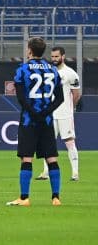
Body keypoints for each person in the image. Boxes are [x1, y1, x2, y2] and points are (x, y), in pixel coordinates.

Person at [7, 37, 64, 206]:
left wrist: (34, 113)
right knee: (51, 158)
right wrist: (45, 113)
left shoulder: (22, 70)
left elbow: (21, 98)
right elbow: (59, 98)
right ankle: (56, 198)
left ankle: (24, 198)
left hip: (28, 121)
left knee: (26, 158)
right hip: (46, 121)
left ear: (30, 50)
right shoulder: (53, 70)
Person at [38, 46, 81, 181]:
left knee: (69, 142)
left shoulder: (71, 73)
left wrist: (70, 109)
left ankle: (75, 173)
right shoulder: (48, 72)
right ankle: (45, 172)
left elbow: (76, 94)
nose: (54, 59)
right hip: (50, 113)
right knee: (47, 142)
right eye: (53, 57)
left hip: (65, 114)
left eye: (57, 56)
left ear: (63, 56)